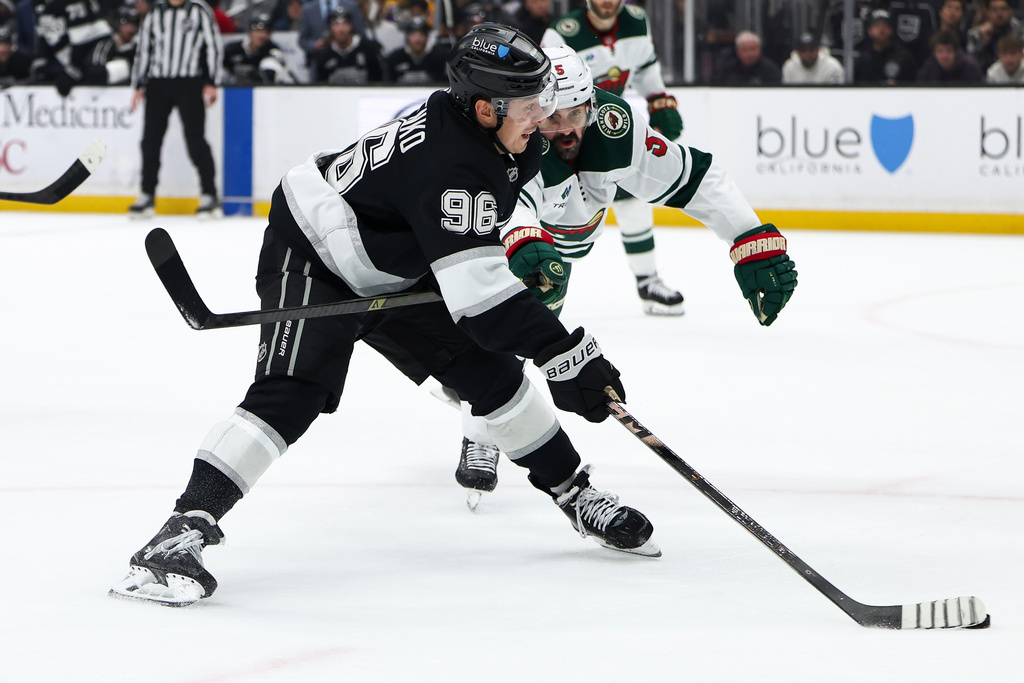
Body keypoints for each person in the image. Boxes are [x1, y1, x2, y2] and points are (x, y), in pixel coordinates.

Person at [110, 24, 659, 607]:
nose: (543, 116)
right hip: (316, 251)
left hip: (395, 256)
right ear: (485, 108)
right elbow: (482, 301)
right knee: (294, 391)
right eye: (530, 105)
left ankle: (576, 494)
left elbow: (482, 254)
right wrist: (565, 354)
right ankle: (180, 533)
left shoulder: (508, 138)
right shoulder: (454, 165)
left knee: (493, 376)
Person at [452, 45, 798, 507]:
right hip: (494, 234)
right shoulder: (517, 133)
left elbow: (694, 176)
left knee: (524, 318)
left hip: (563, 244)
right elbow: (508, 200)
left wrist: (749, 237)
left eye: (575, 113)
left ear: (591, 103)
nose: (563, 129)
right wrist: (520, 238)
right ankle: (480, 431)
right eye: (551, 115)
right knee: (508, 330)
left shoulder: (617, 128)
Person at [543, 0, 686, 316]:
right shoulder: (562, 34)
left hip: (607, 131)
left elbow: (647, 67)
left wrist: (659, 100)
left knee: (633, 202)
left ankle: (648, 281)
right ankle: (546, 287)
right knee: (560, 213)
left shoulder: (637, 23)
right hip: (565, 138)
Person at [128, 0, 224, 219]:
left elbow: (213, 45)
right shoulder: (156, 13)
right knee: (150, 140)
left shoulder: (198, 10)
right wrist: (138, 85)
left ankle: (209, 194)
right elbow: (144, 48)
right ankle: (147, 194)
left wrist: (211, 81)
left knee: (195, 139)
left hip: (189, 82)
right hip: (157, 83)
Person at [36, 0, 114, 96]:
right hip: (77, 50)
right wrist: (71, 66)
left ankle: (127, 68)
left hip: (99, 40)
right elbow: (55, 41)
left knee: (95, 71)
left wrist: (74, 67)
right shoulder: (49, 10)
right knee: (63, 81)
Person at [311, 7, 385, 84]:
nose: (341, 29)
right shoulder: (324, 56)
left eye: (345, 24)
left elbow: (379, 79)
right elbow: (320, 85)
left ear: (350, 26)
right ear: (331, 28)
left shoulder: (368, 48)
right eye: (336, 25)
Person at [223, 12, 294, 84]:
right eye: (258, 31)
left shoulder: (273, 52)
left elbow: (271, 78)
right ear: (250, 32)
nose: (262, 36)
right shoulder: (232, 50)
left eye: (266, 32)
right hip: (232, 90)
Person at [853, 9, 917, 84]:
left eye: (885, 25)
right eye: (877, 26)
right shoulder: (862, 59)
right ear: (869, 31)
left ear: (891, 30)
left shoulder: (903, 57)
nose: (881, 30)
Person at [297, 0, 366, 63]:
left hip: (350, 61)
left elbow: (361, 34)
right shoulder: (308, 9)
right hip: (320, 61)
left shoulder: (351, 5)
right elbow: (302, 40)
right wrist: (314, 46)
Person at [384, 15, 445, 83]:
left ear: (427, 37)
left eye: (421, 34)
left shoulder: (440, 57)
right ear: (407, 36)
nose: (417, 39)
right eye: (413, 34)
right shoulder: (395, 58)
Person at [967, 0, 1024, 70]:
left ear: (1010, 11)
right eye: (994, 9)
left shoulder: (1019, 31)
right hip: (984, 76)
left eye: (1003, 9)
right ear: (987, 12)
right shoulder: (975, 34)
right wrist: (982, 42)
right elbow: (972, 65)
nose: (999, 13)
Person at [713, 30, 782, 85]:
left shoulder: (770, 70)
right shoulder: (727, 69)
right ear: (738, 51)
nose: (749, 54)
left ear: (760, 49)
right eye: (745, 50)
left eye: (753, 49)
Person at [916, 28, 984, 82]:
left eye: (948, 50)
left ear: (955, 51)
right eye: (940, 51)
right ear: (934, 53)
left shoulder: (971, 70)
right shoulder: (927, 71)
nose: (944, 56)